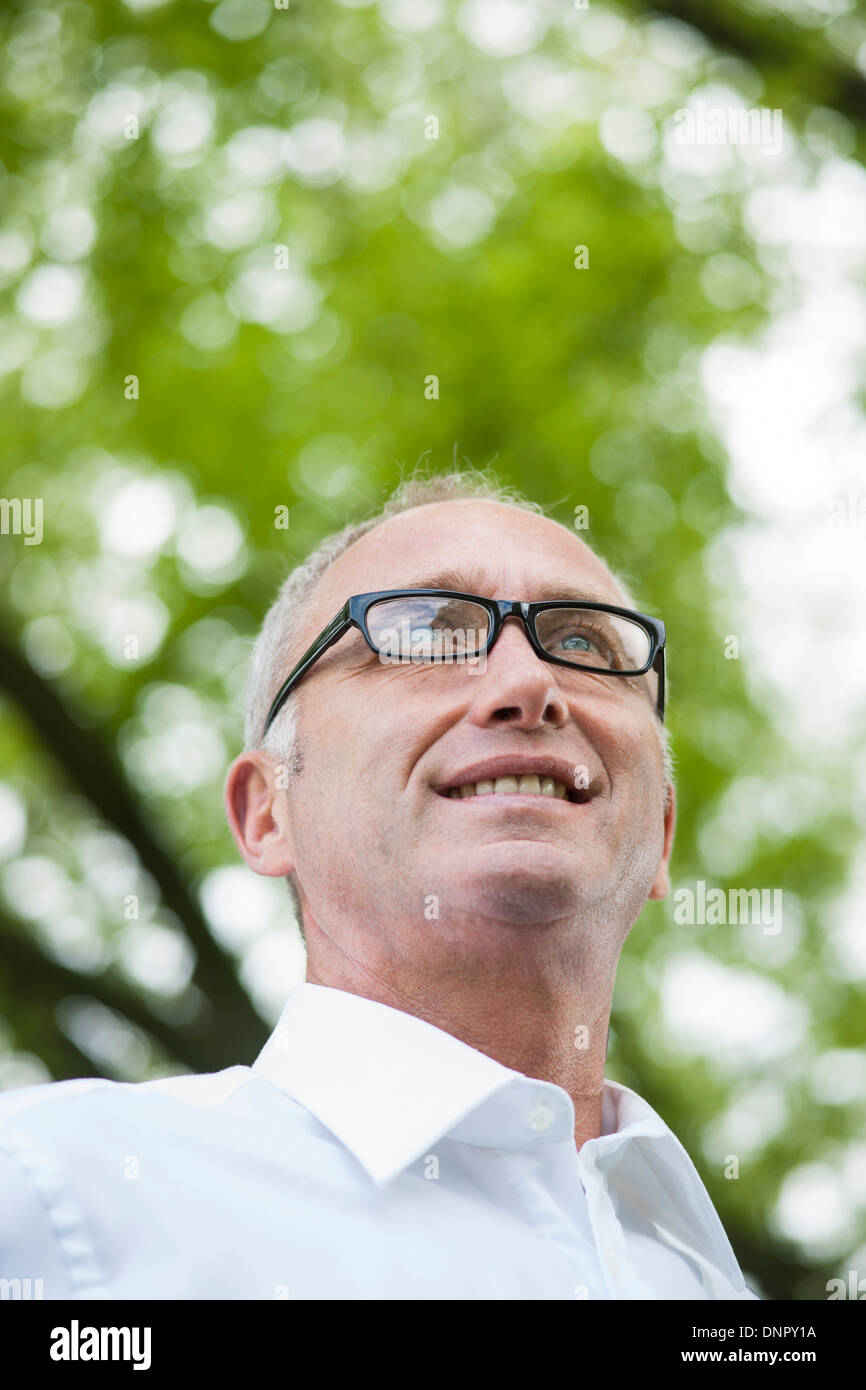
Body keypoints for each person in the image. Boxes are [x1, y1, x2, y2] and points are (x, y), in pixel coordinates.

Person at [0, 470, 760, 1299]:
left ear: (659, 836)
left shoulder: (718, 1288)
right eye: (428, 631)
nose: (529, 685)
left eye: (582, 644)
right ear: (267, 813)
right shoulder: (56, 1191)